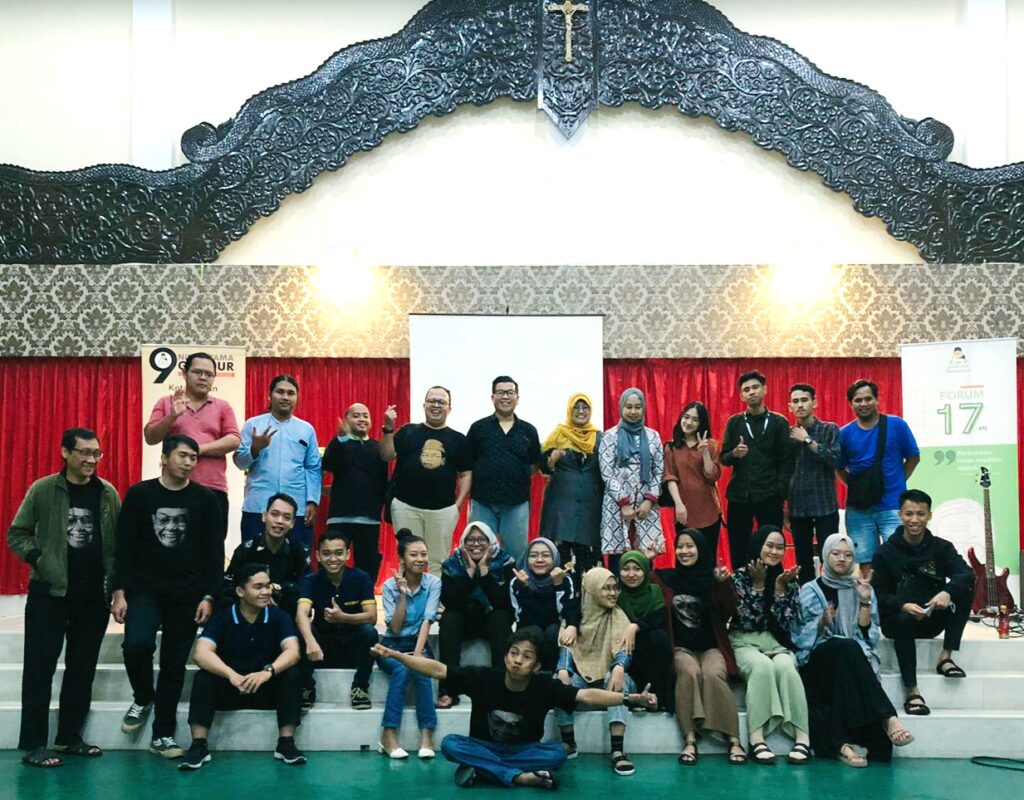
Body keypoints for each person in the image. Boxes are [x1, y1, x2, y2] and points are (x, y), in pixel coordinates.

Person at [371, 628, 658, 789]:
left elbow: (587, 695)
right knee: (450, 744)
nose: (518, 660)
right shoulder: (483, 678)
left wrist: (629, 698)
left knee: (558, 754)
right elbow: (437, 669)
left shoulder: (545, 687)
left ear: (537, 665)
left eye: (527, 656)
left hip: (524, 751)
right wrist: (397, 655)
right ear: (506, 656)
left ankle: (484, 771)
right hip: (484, 746)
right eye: (513, 653)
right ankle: (519, 777)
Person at [8, 428, 121, 768]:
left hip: (93, 597)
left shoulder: (107, 493)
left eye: (96, 453)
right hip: (49, 594)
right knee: (39, 670)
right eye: (84, 452)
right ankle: (34, 744)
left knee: (82, 669)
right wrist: (39, 558)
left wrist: (116, 588)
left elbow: (118, 544)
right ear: (65, 452)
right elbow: (17, 533)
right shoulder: (43, 489)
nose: (91, 459)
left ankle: (70, 737)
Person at [111, 434, 224, 759]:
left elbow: (213, 554)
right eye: (183, 456)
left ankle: (162, 734)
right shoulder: (139, 494)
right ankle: (143, 695)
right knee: (137, 644)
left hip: (188, 594)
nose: (189, 462)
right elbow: (124, 546)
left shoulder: (206, 500)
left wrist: (209, 596)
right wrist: (118, 591)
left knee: (174, 665)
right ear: (164, 458)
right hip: (144, 589)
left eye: (193, 457)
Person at [793, 533, 914, 767]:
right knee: (846, 646)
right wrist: (822, 623)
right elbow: (798, 635)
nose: (842, 559)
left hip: (851, 657)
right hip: (818, 659)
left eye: (848, 555)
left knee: (881, 750)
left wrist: (865, 601)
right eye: (836, 553)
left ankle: (845, 745)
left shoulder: (861, 588)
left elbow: (869, 634)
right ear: (825, 555)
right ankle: (889, 717)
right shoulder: (810, 590)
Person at [178, 563, 305, 769]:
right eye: (258, 587)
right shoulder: (222, 617)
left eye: (268, 586)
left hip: (266, 688)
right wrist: (231, 675)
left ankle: (286, 743)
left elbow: (293, 652)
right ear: (240, 591)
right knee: (203, 677)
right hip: (232, 688)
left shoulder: (278, 616)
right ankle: (198, 745)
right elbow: (200, 654)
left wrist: (268, 672)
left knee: (292, 674)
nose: (266, 592)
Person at [871, 489, 974, 717]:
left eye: (920, 514)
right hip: (898, 621)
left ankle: (946, 657)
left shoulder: (942, 547)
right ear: (900, 515)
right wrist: (902, 605)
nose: (914, 520)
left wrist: (947, 592)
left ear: (929, 515)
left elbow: (966, 574)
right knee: (902, 619)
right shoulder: (885, 552)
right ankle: (912, 691)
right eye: (909, 514)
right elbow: (878, 594)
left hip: (931, 617)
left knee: (964, 588)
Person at [653, 528, 745, 766]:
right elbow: (638, 580)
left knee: (713, 674)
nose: (684, 551)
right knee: (688, 672)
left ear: (701, 549)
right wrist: (648, 559)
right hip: (680, 647)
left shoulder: (714, 579)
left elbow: (728, 611)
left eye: (690, 546)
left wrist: (722, 585)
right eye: (680, 546)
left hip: (711, 647)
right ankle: (690, 738)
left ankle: (733, 739)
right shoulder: (666, 578)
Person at [725, 526, 810, 764]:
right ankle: (757, 738)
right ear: (758, 546)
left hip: (776, 642)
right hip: (744, 641)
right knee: (762, 667)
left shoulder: (788, 580)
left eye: (780, 547)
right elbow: (748, 620)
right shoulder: (738, 578)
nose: (774, 551)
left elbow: (785, 623)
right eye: (769, 546)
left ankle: (802, 737)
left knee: (786, 668)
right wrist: (759, 586)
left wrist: (780, 590)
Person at [554, 567, 645, 776]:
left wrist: (619, 666)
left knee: (617, 682)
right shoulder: (574, 618)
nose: (613, 593)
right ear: (592, 590)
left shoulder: (619, 615)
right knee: (558, 682)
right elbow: (566, 647)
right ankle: (569, 743)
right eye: (606, 588)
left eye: (615, 588)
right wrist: (563, 670)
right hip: (582, 677)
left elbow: (624, 649)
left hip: (609, 676)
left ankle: (617, 751)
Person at [144, 352, 240, 535]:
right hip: (173, 487)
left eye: (209, 374)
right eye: (197, 372)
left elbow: (234, 439)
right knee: (172, 541)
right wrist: (172, 416)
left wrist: (196, 450)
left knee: (212, 545)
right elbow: (150, 437)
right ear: (185, 374)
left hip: (213, 489)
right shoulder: (166, 403)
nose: (203, 377)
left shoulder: (223, 406)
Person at [381, 386, 472, 576]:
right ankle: (408, 595)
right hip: (405, 506)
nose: (436, 405)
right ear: (424, 405)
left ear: (449, 408)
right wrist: (388, 428)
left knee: (438, 561)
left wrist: (457, 505)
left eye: (441, 402)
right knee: (408, 558)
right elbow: (386, 455)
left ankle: (434, 595)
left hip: (443, 510)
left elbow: (466, 474)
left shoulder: (459, 440)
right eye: (432, 401)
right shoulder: (407, 431)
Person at [838, 379, 920, 575]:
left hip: (893, 506)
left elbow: (913, 457)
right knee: (866, 564)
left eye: (868, 399)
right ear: (850, 404)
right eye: (858, 400)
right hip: (859, 510)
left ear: (877, 399)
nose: (863, 404)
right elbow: (839, 468)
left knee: (900, 560)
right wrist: (860, 488)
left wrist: (898, 481)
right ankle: (871, 596)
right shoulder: (844, 433)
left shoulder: (897, 425)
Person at [233, 375, 321, 549]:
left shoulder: (306, 429)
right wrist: (255, 449)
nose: (285, 397)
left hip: (296, 510)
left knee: (296, 560)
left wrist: (312, 501)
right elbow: (240, 463)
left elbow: (313, 468)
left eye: (291, 393)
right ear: (269, 395)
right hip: (258, 508)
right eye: (280, 392)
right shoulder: (253, 425)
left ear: (297, 397)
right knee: (253, 560)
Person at [295, 529, 378, 711]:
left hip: (353, 645)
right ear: (318, 556)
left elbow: (372, 617)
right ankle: (307, 687)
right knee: (302, 632)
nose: (333, 559)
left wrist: (343, 617)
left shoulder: (361, 578)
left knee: (369, 632)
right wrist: (310, 641)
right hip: (322, 648)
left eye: (338, 553)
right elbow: (301, 613)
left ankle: (360, 688)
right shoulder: (311, 580)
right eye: (327, 553)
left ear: (347, 554)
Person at [377, 532, 442, 759]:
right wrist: (403, 596)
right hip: (391, 645)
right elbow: (394, 628)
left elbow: (427, 620)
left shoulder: (433, 583)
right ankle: (388, 734)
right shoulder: (389, 586)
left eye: (423, 554)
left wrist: (417, 654)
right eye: (414, 555)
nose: (420, 559)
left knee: (420, 669)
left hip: (418, 642)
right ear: (402, 559)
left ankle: (427, 735)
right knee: (402, 669)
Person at [437, 521, 516, 709]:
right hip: (464, 622)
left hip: (491, 622)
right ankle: (449, 689)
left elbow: (504, 604)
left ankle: (501, 687)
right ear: (463, 543)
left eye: (482, 540)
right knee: (450, 618)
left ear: (491, 543)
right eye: (470, 540)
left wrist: (485, 571)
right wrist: (470, 572)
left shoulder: (506, 563)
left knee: (500, 616)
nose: (476, 544)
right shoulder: (452, 564)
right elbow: (451, 602)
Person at [719, 371, 790, 571]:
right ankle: (741, 586)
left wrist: (780, 494)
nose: (751, 392)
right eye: (746, 389)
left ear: (765, 389)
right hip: (739, 495)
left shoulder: (779, 422)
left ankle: (773, 586)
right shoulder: (735, 422)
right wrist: (734, 454)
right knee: (738, 548)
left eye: (755, 387)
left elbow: (786, 462)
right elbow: (723, 457)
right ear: (742, 395)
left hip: (770, 495)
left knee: (772, 547)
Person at [467, 376, 542, 561]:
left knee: (516, 557)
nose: (505, 397)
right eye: (501, 393)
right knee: (479, 554)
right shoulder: (478, 428)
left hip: (516, 503)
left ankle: (513, 581)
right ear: (492, 397)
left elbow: (534, 464)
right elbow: (468, 463)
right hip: (482, 502)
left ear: (517, 397)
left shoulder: (528, 430)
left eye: (510, 393)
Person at [322, 402, 389, 581]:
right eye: (356, 415)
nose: (362, 419)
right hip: (340, 517)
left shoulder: (378, 448)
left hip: (369, 519)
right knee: (333, 564)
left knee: (368, 567)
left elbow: (383, 482)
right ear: (346, 420)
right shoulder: (339, 444)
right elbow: (328, 464)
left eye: (365, 416)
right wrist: (341, 439)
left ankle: (365, 597)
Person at [598, 388, 665, 570]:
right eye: (628, 407)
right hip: (617, 506)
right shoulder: (609, 436)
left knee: (645, 557)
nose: (633, 411)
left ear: (644, 408)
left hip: (645, 506)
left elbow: (659, 471)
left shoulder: (653, 436)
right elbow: (607, 472)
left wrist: (649, 501)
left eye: (637, 407)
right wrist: (624, 503)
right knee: (618, 560)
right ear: (621, 408)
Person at [538, 393, 604, 574]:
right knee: (559, 564)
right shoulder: (558, 435)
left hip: (590, 511)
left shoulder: (599, 437)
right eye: (576, 407)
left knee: (588, 567)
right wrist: (552, 459)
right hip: (560, 510)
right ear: (569, 410)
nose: (581, 411)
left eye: (585, 407)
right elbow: (543, 468)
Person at [786, 384, 841, 584]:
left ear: (814, 403)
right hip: (798, 508)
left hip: (824, 505)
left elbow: (836, 460)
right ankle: (807, 598)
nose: (800, 405)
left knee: (831, 557)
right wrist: (784, 507)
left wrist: (808, 440)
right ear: (790, 406)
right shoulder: (787, 435)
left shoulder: (829, 429)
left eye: (804, 400)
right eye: (795, 401)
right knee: (803, 561)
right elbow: (783, 472)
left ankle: (832, 597)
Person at [222, 493, 310, 618]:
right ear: (264, 516)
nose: (279, 521)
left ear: (292, 523)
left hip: (284, 614)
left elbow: (305, 589)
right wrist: (257, 595)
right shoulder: (246, 549)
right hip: (248, 612)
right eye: (274, 514)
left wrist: (276, 591)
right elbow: (228, 585)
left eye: (286, 517)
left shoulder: (300, 552)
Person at [509, 537, 581, 671]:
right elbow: (521, 619)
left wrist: (558, 586)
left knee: (553, 630)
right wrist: (524, 588)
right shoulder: (517, 581)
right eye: (533, 555)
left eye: (546, 555)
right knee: (534, 631)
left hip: (554, 633)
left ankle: (549, 673)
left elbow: (569, 611)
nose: (539, 560)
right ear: (526, 559)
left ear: (554, 558)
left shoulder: (565, 580)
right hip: (528, 629)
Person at [663, 401, 723, 558]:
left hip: (708, 510)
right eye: (686, 417)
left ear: (701, 423)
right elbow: (670, 477)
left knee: (708, 557)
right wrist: (678, 504)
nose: (689, 422)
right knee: (685, 555)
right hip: (684, 510)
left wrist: (705, 453)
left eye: (695, 420)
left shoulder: (710, 445)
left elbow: (712, 476)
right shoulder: (671, 447)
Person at [616, 550, 671, 713]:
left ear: (645, 571)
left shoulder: (654, 591)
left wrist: (635, 626)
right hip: (623, 651)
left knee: (659, 638)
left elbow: (659, 619)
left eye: (637, 569)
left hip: (650, 654)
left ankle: (656, 698)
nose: (631, 574)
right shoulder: (615, 592)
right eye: (626, 569)